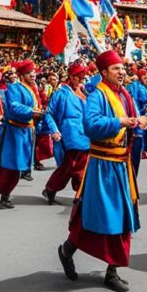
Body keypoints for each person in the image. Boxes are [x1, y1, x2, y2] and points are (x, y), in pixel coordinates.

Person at [57, 50, 147, 292]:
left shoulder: (126, 94)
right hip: (102, 165)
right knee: (95, 214)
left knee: (121, 217)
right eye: (116, 68)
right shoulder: (98, 95)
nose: (121, 72)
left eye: (122, 68)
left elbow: (130, 121)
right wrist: (120, 122)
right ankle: (67, 250)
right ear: (103, 73)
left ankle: (112, 270)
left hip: (122, 165)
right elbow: (91, 125)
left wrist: (140, 121)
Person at [0, 60, 58, 208]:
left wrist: (52, 127)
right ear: (22, 75)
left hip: (27, 131)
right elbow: (14, 106)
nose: (33, 75)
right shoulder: (14, 88)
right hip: (14, 132)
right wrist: (31, 111)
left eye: (33, 73)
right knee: (10, 165)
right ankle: (4, 193)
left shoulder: (34, 89)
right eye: (29, 73)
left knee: (19, 166)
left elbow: (42, 108)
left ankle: (8, 190)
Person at [43, 63, 91, 204]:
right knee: (71, 163)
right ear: (71, 76)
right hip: (70, 134)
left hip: (85, 134)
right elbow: (49, 113)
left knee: (77, 164)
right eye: (78, 77)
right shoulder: (61, 93)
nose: (80, 80)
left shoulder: (84, 93)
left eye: (82, 77)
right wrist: (54, 130)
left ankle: (58, 189)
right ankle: (77, 192)